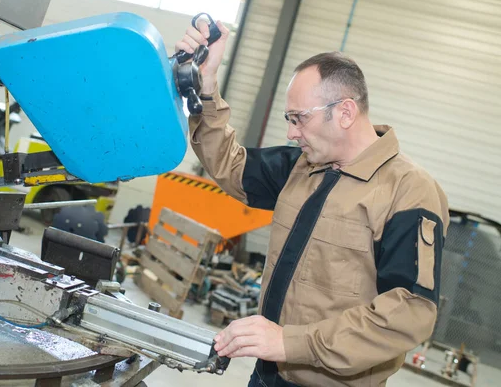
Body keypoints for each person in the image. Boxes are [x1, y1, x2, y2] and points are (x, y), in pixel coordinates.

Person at [176, 20, 449, 387]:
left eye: (299, 119)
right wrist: (205, 88)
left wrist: (289, 342)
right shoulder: (304, 167)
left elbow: (409, 312)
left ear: (345, 112)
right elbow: (231, 164)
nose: (290, 132)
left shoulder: (408, 190)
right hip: (266, 374)